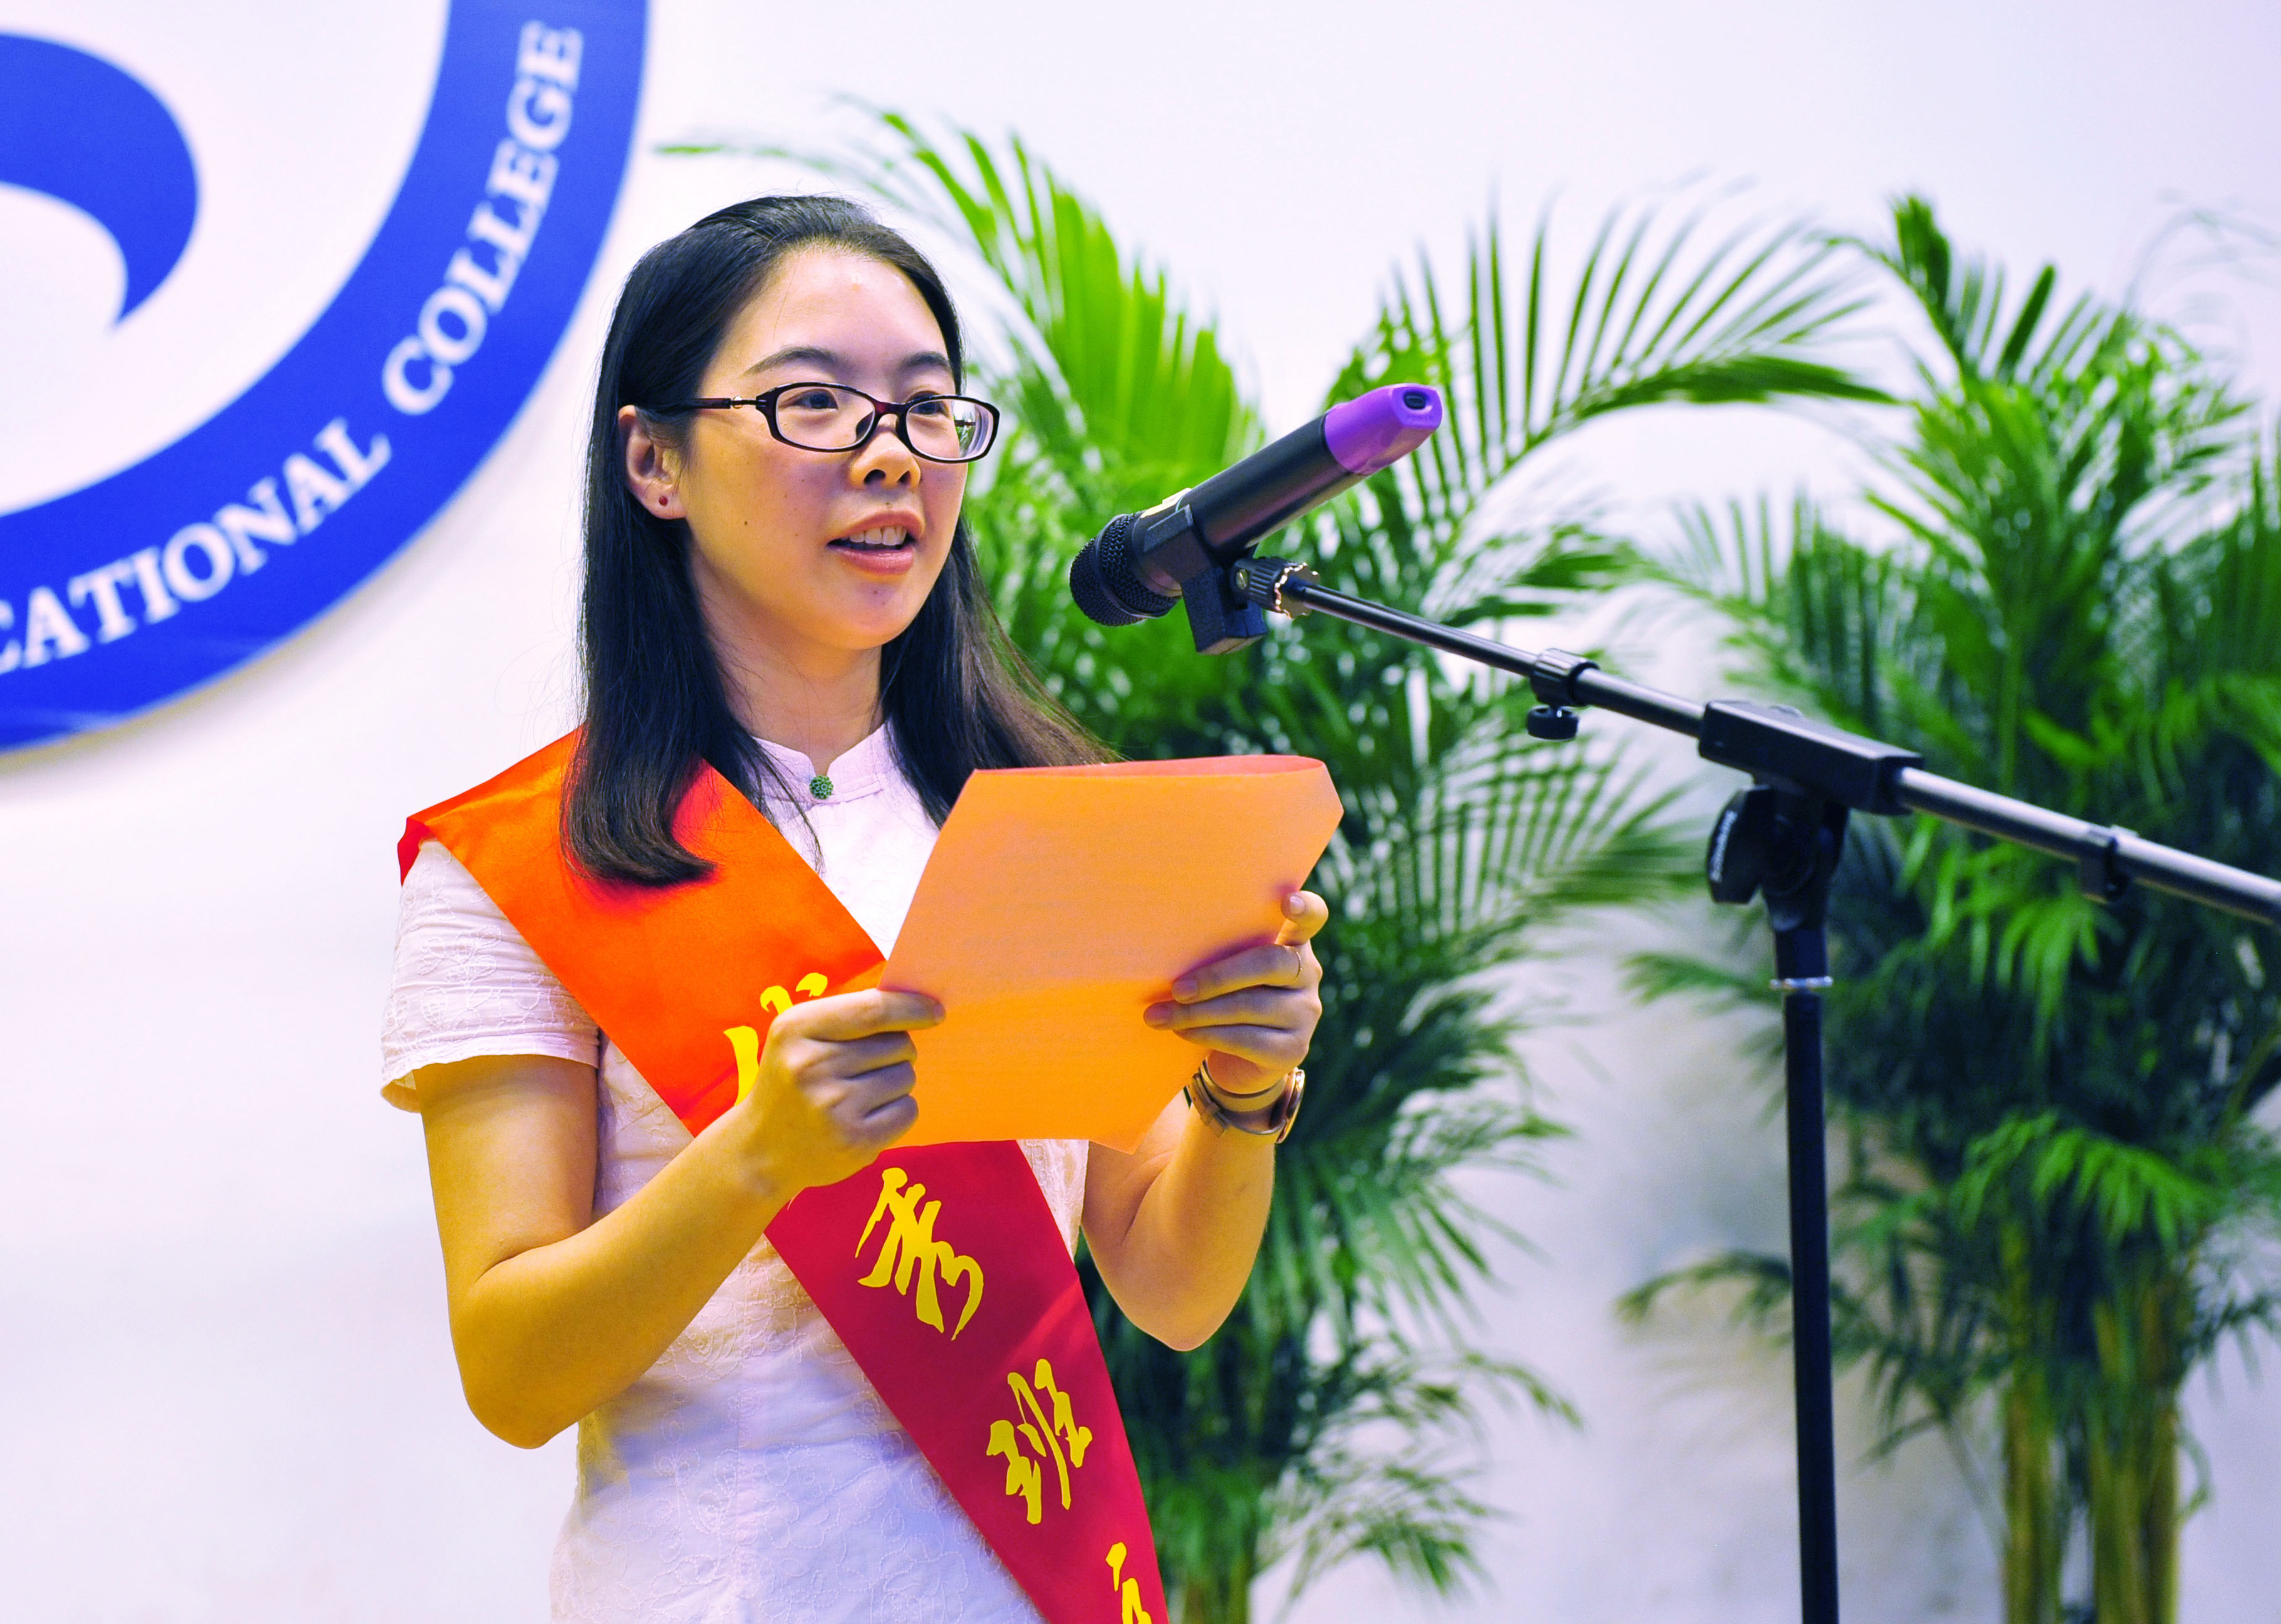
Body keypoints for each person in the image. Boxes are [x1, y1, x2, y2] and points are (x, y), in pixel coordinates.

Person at [378, 195, 1324, 1623]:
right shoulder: (532, 860)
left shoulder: (1051, 826)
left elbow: (1172, 1291)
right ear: (654, 462)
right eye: (813, 402)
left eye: (929, 409)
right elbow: (513, 1375)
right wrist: (756, 1157)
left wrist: (1244, 1096)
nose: (891, 454)